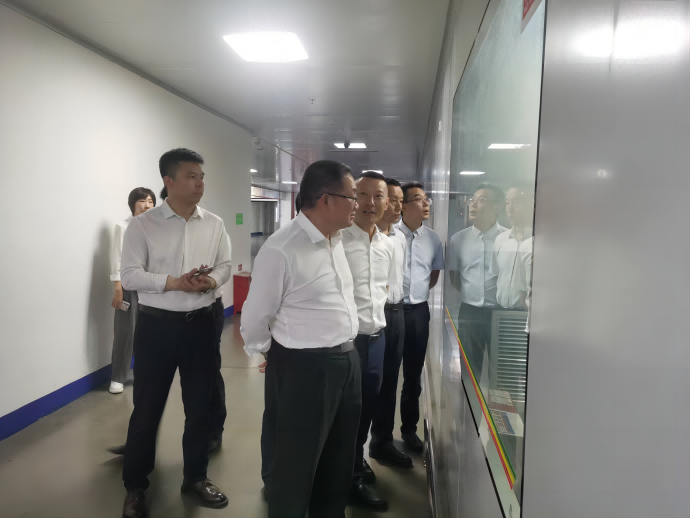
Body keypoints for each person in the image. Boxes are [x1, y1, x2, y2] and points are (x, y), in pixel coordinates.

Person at [241, 160, 361, 518]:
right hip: (305, 368)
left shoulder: (336, 240)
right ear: (326, 200)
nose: (357, 205)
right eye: (352, 197)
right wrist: (271, 353)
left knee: (338, 461)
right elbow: (254, 317)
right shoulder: (282, 249)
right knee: (295, 467)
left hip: (347, 361)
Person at [119, 148, 232, 518]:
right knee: (146, 411)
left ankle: (196, 478)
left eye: (201, 177)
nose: (200, 183)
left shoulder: (214, 223)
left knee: (200, 408)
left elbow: (225, 264)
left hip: (202, 325)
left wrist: (210, 281)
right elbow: (130, 276)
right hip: (157, 328)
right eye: (191, 177)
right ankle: (135, 487)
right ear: (168, 181)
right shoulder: (143, 225)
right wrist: (175, 283)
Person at [341, 171, 395, 511]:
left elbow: (386, 290)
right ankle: (347, 479)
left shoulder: (389, 246)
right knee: (345, 412)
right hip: (347, 343)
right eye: (363, 194)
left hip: (377, 340)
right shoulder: (337, 241)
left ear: (387, 203)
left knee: (366, 410)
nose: (370, 203)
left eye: (378, 196)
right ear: (352, 198)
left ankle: (355, 464)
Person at [393, 181, 444, 452]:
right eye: (419, 199)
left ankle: (409, 430)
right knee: (386, 376)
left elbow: (432, 277)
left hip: (418, 312)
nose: (426, 204)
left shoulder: (434, 240)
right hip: (391, 311)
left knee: (413, 377)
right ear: (402, 205)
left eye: (427, 199)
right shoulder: (389, 236)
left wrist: (416, 295)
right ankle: (379, 436)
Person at [369, 177, 413, 468]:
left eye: (400, 201)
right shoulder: (362, 236)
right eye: (392, 200)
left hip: (396, 312)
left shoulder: (400, 238)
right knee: (368, 383)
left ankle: (382, 441)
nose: (397, 206)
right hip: (370, 316)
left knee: (390, 382)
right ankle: (353, 453)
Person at [449, 184, 507, 381]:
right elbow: (455, 278)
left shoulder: (507, 239)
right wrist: (472, 294)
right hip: (470, 313)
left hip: (501, 312)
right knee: (469, 373)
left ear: (498, 206)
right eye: (472, 199)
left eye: (482, 200)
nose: (473, 205)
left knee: (501, 373)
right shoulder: (458, 240)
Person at [109, 187, 156, 394]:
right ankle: (118, 378)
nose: (147, 205)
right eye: (142, 201)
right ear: (133, 204)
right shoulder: (123, 227)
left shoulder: (155, 228)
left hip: (150, 287)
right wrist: (117, 288)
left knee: (148, 334)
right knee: (125, 332)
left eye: (151, 201)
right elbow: (117, 258)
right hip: (128, 287)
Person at [492, 186, 534, 310]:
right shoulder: (500, 239)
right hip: (500, 312)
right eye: (507, 203)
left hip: (527, 313)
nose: (510, 209)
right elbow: (496, 275)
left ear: (530, 206)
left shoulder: (538, 242)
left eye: (516, 202)